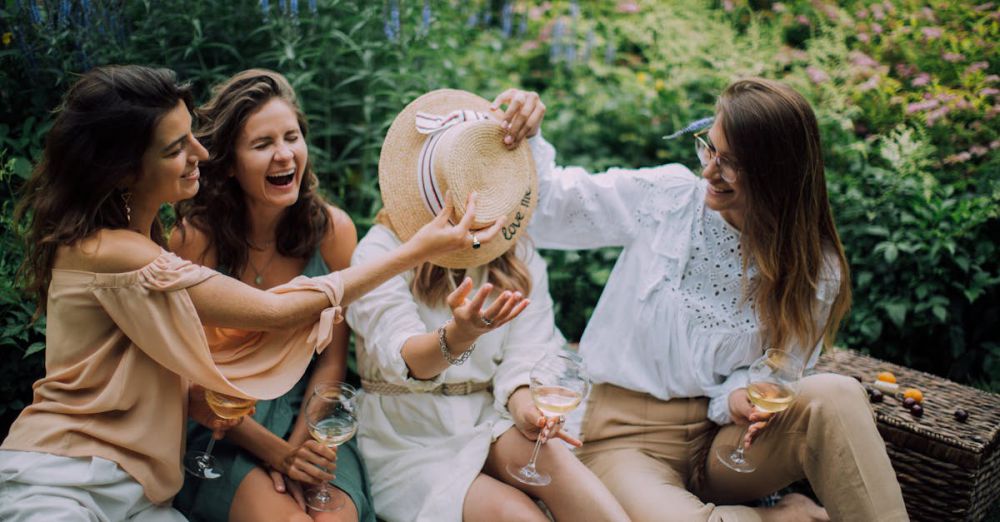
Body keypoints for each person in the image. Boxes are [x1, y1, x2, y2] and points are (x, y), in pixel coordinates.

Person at [0, 65, 495, 521]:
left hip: (140, 490)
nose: (199, 152)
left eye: (194, 136)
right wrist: (416, 249)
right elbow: (272, 312)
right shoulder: (121, 252)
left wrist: (297, 441)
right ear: (124, 170)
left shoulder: (140, 244)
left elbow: (185, 382)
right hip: (66, 477)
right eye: (176, 148)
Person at [491, 80, 908, 521]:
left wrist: (738, 398)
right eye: (709, 149)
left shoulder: (814, 268)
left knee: (837, 395)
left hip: (726, 446)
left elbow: (778, 372)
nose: (709, 172)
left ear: (777, 173)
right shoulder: (667, 199)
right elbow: (549, 208)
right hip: (624, 441)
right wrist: (529, 131)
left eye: (732, 165)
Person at [345, 89, 629, 522]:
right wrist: (459, 335)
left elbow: (527, 355)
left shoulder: (516, 252)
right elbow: (405, 359)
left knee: (559, 467)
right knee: (517, 515)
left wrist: (526, 408)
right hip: (408, 436)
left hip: (487, 418)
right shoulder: (381, 253)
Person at [169, 69, 372, 522]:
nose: (284, 155)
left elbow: (332, 360)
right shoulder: (193, 241)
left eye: (292, 137)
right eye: (262, 144)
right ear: (229, 162)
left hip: (308, 415)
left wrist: (306, 446)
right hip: (223, 428)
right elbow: (186, 379)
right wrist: (277, 454)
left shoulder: (333, 232)